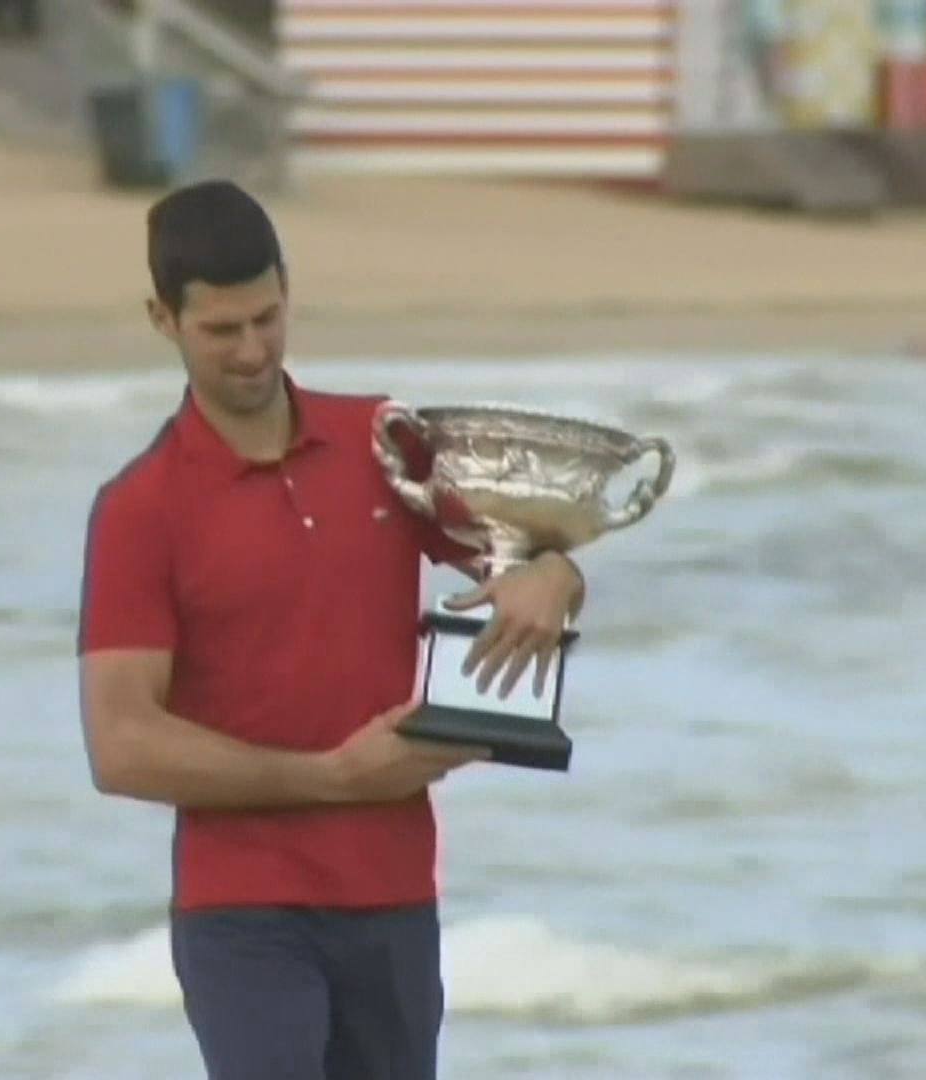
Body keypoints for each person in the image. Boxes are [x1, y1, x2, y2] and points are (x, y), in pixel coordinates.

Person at [75, 179, 587, 1080]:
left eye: (268, 318)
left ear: (288, 289)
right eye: (221, 330)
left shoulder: (381, 441)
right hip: (241, 911)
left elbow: (521, 562)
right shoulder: (139, 509)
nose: (252, 351)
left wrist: (555, 577)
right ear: (163, 319)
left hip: (393, 897)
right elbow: (120, 744)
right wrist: (327, 777)